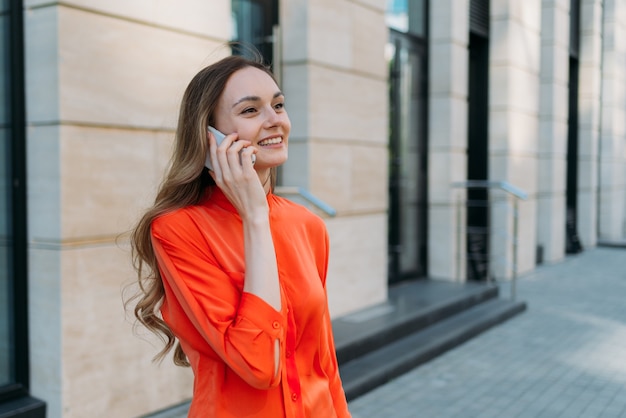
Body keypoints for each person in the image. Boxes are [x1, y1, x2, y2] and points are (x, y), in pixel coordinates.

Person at [128, 52, 352, 418]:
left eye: (278, 105)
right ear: (210, 136)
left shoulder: (308, 225)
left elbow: (323, 360)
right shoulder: (178, 230)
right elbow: (260, 365)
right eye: (250, 111)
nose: (274, 121)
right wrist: (255, 218)